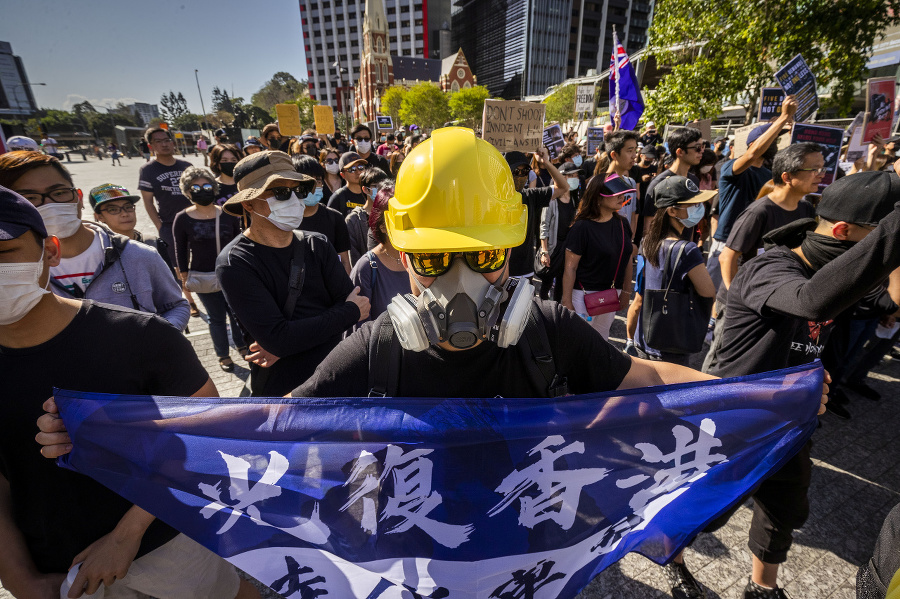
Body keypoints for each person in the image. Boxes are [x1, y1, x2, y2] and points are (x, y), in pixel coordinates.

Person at [0, 189, 261, 599]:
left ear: (49, 251)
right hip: (53, 567)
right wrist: (19, 578)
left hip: (168, 543)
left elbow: (209, 436)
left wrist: (127, 534)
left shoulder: (139, 335)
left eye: (4, 251)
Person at [699, 170, 900, 598]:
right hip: (734, 418)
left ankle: (762, 587)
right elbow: (812, 300)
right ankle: (675, 556)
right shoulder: (769, 267)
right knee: (705, 510)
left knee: (785, 506)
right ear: (844, 232)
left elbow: (888, 300)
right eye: (874, 240)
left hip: (792, 418)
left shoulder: (837, 269)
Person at [217, 150, 370, 396]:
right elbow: (280, 338)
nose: (293, 200)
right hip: (284, 391)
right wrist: (344, 314)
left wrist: (288, 341)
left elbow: (358, 305)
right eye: (280, 192)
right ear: (248, 203)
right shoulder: (236, 262)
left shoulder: (317, 244)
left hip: (335, 377)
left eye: (298, 191)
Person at [0, 152, 189, 331]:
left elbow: (176, 306)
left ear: (78, 197)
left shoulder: (139, 254)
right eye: (30, 198)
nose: (50, 205)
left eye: (59, 193)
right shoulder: (13, 273)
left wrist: (160, 340)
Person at [708, 95, 798, 289]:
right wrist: (783, 117)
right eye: (772, 139)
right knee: (712, 294)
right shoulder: (731, 168)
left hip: (753, 245)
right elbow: (752, 155)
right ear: (753, 144)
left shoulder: (770, 175)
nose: (775, 143)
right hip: (726, 242)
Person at [630, 176, 717, 365]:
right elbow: (708, 291)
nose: (699, 208)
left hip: (645, 336)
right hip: (671, 343)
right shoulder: (687, 250)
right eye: (693, 204)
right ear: (671, 210)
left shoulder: (647, 243)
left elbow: (640, 293)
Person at [174, 167, 247, 372]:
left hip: (231, 273)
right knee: (216, 318)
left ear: (214, 188)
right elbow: (180, 248)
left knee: (236, 314)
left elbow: (238, 243)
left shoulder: (228, 213)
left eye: (206, 186)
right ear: (188, 192)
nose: (201, 190)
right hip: (203, 276)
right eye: (195, 187)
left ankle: (241, 345)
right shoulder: (182, 218)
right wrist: (183, 274)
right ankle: (222, 354)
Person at [562, 174, 637, 340]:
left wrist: (626, 291)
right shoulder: (582, 227)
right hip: (583, 296)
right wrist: (567, 301)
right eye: (615, 193)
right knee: (579, 343)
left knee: (601, 342)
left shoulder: (622, 224)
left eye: (623, 193)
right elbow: (570, 267)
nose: (622, 197)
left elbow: (627, 258)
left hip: (611, 294)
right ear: (597, 197)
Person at [137, 126, 197, 314]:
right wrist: (159, 225)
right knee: (179, 265)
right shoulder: (148, 170)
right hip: (169, 225)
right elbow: (148, 202)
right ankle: (189, 300)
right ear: (151, 145)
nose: (164, 144)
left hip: (194, 220)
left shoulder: (186, 166)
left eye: (167, 140)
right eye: (159, 141)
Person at [349, 181, 411, 328]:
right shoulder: (367, 267)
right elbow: (360, 329)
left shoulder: (422, 259)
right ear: (382, 226)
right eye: (398, 219)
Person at [504, 146, 569, 278]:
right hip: (499, 270)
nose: (520, 176)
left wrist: (546, 162)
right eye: (516, 171)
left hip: (524, 270)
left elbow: (563, 187)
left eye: (525, 171)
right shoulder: (494, 199)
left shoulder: (531, 196)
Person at [291, 154, 353, 275]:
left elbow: (345, 261)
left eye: (318, 181)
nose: (314, 187)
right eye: (307, 182)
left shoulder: (335, 218)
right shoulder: (284, 220)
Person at [641, 127, 705, 236]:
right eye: (697, 148)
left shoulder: (693, 180)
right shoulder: (659, 183)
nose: (702, 151)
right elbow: (649, 226)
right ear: (680, 152)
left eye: (703, 146)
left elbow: (691, 223)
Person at [537, 161, 580, 301]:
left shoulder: (575, 198)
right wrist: (544, 251)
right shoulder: (552, 198)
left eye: (576, 175)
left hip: (567, 248)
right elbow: (544, 225)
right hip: (553, 247)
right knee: (547, 281)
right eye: (571, 175)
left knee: (562, 281)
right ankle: (543, 306)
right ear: (561, 177)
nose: (575, 178)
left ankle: (555, 310)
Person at [89, 182, 167, 255]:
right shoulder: (98, 252)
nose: (125, 214)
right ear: (99, 217)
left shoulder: (153, 244)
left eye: (128, 207)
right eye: (113, 209)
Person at [347, 166, 390, 265]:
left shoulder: (391, 213)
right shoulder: (354, 220)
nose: (381, 190)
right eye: (376, 186)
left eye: (384, 185)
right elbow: (353, 257)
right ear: (365, 189)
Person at [605, 130, 641, 233]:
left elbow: (632, 216)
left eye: (635, 150)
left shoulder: (631, 183)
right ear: (614, 155)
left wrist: (630, 239)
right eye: (629, 151)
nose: (634, 156)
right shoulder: (599, 184)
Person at [327, 152, 368, 216]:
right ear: (342, 175)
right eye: (352, 169)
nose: (358, 172)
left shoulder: (371, 194)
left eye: (361, 167)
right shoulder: (337, 198)